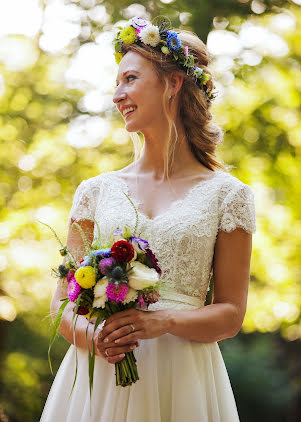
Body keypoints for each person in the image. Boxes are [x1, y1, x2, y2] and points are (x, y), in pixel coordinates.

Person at [40, 16, 256, 422]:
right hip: (97, 379)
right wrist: (97, 339)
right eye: (116, 83)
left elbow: (230, 313)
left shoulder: (230, 196)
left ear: (173, 83)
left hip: (184, 379)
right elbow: (61, 307)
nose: (117, 95)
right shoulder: (94, 192)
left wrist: (165, 321)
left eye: (130, 79)